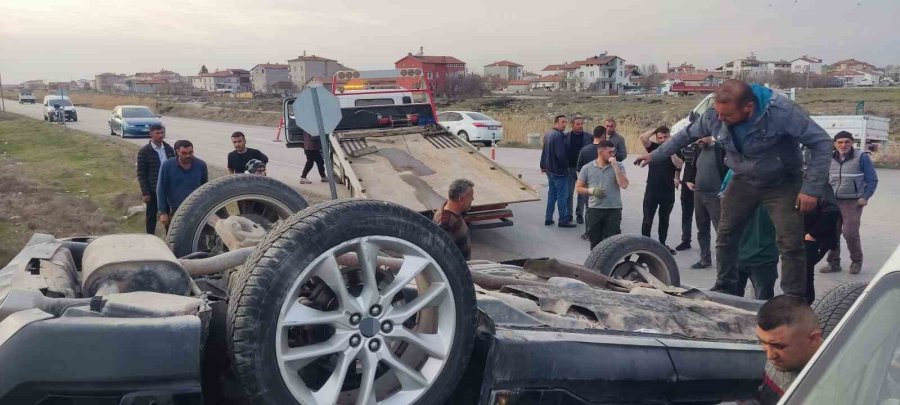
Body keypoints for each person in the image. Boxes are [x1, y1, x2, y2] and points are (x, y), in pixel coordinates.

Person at [634, 79, 833, 297]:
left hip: (782, 182)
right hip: (744, 178)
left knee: (790, 241)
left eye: (727, 115)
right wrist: (655, 155)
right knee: (726, 232)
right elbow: (685, 136)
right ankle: (725, 284)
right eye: (718, 113)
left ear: (748, 107)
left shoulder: (781, 112)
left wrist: (811, 188)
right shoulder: (714, 115)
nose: (720, 119)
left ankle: (793, 297)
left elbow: (822, 142)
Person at [820, 131, 879, 274]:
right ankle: (833, 263)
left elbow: (872, 180)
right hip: (832, 201)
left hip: (853, 202)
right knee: (832, 232)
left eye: (847, 141)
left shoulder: (861, 157)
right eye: (840, 142)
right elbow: (823, 179)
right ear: (834, 144)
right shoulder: (829, 157)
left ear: (852, 143)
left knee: (850, 233)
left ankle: (856, 261)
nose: (843, 145)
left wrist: (865, 196)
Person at [754, 295, 824, 404]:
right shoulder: (781, 360)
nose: (770, 356)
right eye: (763, 342)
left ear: (814, 339)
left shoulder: (830, 388)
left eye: (779, 346)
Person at [722, 170, 778, 299]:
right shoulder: (734, 171)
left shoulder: (734, 170)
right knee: (740, 304)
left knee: (759, 306)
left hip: (763, 256)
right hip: (743, 255)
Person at [576, 140, 629, 248]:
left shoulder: (619, 165)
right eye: (610, 152)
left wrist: (615, 167)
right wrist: (592, 191)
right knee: (595, 243)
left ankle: (611, 264)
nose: (613, 154)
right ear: (600, 152)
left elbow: (624, 185)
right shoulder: (587, 168)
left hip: (614, 209)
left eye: (614, 152)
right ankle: (594, 264)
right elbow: (578, 188)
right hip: (595, 210)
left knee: (612, 244)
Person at [639, 126, 683, 254]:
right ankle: (644, 245)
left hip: (668, 191)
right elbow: (643, 138)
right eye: (660, 138)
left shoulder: (676, 150)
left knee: (664, 220)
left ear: (670, 136)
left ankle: (662, 244)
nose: (663, 140)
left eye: (666, 137)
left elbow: (679, 164)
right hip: (652, 190)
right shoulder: (653, 148)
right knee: (647, 219)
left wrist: (671, 150)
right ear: (657, 139)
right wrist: (655, 130)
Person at [687, 136, 727, 269]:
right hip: (698, 194)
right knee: (702, 229)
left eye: (701, 138)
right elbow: (693, 166)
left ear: (710, 135)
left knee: (721, 231)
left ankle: (725, 263)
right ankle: (705, 259)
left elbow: (728, 171)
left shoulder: (720, 149)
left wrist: (725, 191)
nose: (699, 141)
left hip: (715, 196)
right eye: (697, 138)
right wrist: (689, 180)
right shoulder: (698, 149)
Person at [803, 185, 841, 303]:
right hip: (798, 235)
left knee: (804, 271)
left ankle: (805, 305)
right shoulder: (790, 182)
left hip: (814, 238)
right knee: (797, 272)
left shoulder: (821, 187)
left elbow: (832, 212)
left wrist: (813, 234)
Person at [157, 140, 209, 227]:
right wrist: (163, 212)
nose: (188, 155)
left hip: (196, 209)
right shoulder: (167, 166)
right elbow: (161, 189)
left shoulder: (201, 165)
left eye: (190, 152)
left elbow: (205, 187)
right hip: (176, 210)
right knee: (176, 238)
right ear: (177, 151)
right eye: (184, 153)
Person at [136, 124, 175, 235]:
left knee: (168, 214)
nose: (160, 135)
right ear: (151, 134)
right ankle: (150, 237)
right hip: (153, 189)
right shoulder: (144, 151)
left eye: (162, 133)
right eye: (157, 133)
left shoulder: (168, 149)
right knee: (151, 215)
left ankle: (169, 238)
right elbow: (141, 174)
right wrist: (145, 192)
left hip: (168, 189)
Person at [540, 115, 576, 228]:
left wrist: (543, 165)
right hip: (559, 171)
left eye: (566, 122)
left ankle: (548, 218)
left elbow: (544, 151)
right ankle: (563, 220)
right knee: (562, 196)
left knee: (552, 194)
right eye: (562, 122)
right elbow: (560, 154)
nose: (565, 124)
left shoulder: (548, 133)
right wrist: (566, 166)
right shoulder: (559, 136)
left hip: (549, 170)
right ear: (556, 122)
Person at [575, 126, 607, 240]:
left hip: (588, 186)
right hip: (604, 185)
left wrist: (582, 184)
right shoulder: (607, 150)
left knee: (590, 211)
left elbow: (578, 169)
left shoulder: (584, 150)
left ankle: (589, 233)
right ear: (603, 135)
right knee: (604, 210)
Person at [434, 179, 475, 260]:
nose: (473, 199)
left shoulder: (450, 209)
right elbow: (443, 257)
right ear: (461, 199)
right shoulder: (446, 224)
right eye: (471, 196)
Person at [566, 116, 593, 224]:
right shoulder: (566, 136)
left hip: (583, 169)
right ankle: (569, 214)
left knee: (581, 194)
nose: (580, 126)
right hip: (570, 168)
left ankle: (579, 214)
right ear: (572, 125)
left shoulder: (589, 137)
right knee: (569, 193)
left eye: (582, 123)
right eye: (578, 124)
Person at [675, 143, 699, 251]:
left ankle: (720, 244)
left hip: (700, 183)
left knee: (704, 217)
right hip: (686, 184)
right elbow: (679, 165)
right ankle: (686, 240)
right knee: (686, 214)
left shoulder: (703, 147)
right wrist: (677, 177)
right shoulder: (685, 147)